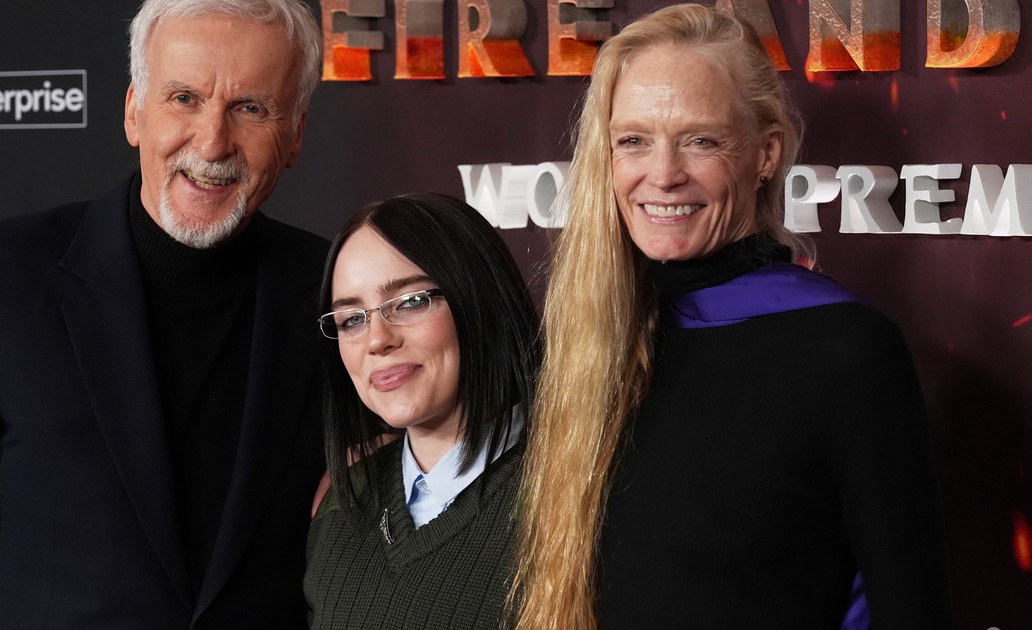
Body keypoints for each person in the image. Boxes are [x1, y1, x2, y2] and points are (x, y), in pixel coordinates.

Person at [0, 0, 326, 628]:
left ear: (295, 134)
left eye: (250, 108)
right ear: (134, 111)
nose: (212, 141)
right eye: (184, 99)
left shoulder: (338, 295)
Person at [510, 5, 952, 629]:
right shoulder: (587, 342)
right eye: (633, 140)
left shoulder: (849, 354)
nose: (663, 175)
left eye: (701, 141)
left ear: (766, 154)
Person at [304, 193, 540, 629]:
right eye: (352, 319)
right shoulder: (343, 504)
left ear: (480, 299)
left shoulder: (574, 494)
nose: (377, 340)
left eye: (411, 302)